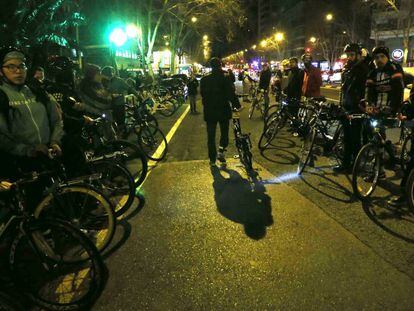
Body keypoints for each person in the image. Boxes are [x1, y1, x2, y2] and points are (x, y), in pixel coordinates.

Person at [0, 46, 63, 175]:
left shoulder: (38, 91)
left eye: (22, 66)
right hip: (19, 163)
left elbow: (57, 120)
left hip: (48, 156)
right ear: (1, 71)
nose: (18, 71)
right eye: (11, 66)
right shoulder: (2, 97)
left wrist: (55, 142)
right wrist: (27, 150)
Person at [362, 46, 404, 206]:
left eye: (381, 57)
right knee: (376, 139)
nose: (378, 60)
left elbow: (398, 90)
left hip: (389, 111)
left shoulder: (394, 69)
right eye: (376, 57)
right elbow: (369, 91)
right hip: (376, 111)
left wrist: (393, 108)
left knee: (383, 138)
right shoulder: (372, 72)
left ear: (386, 57)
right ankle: (379, 171)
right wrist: (368, 104)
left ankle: (388, 163)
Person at [333, 43, 369, 173]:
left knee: (354, 138)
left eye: (352, 55)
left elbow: (363, 90)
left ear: (358, 55)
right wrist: (341, 105)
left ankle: (356, 165)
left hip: (356, 109)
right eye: (347, 55)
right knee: (347, 138)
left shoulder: (362, 69)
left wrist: (360, 105)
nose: (349, 57)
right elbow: (344, 89)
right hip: (346, 107)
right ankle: (346, 164)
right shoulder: (348, 68)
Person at [200, 57, 241, 166]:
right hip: (223, 110)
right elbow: (231, 94)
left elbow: (203, 95)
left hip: (210, 111)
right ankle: (221, 151)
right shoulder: (225, 79)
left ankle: (212, 159)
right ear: (220, 65)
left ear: (211, 66)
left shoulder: (204, 80)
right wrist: (237, 105)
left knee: (211, 136)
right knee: (224, 134)